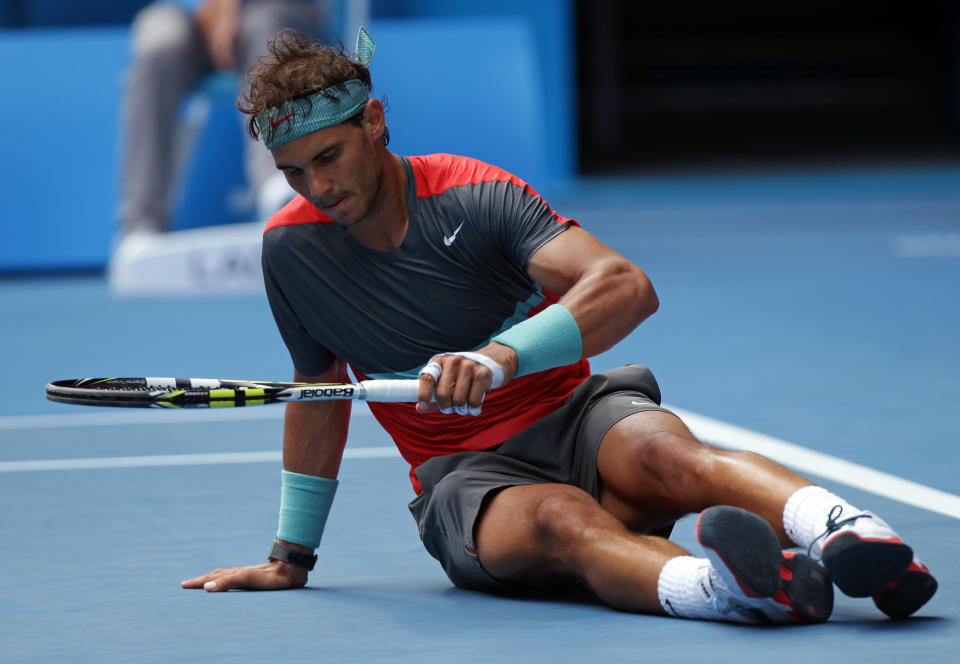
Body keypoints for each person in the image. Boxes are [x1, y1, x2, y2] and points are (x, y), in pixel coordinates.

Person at [181, 28, 937, 624]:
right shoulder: (290, 249)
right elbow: (318, 395)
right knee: (563, 523)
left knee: (672, 454)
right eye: (294, 173)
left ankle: (850, 533)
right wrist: (291, 554)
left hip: (575, 417)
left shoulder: (475, 196)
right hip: (464, 480)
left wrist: (501, 357)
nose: (317, 187)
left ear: (374, 123)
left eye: (328, 157)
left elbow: (625, 286)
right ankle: (730, 591)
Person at [117, 0, 327, 243]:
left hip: (273, 8)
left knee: (268, 30)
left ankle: (280, 186)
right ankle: (141, 227)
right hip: (191, 14)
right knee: (160, 43)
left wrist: (227, 7)